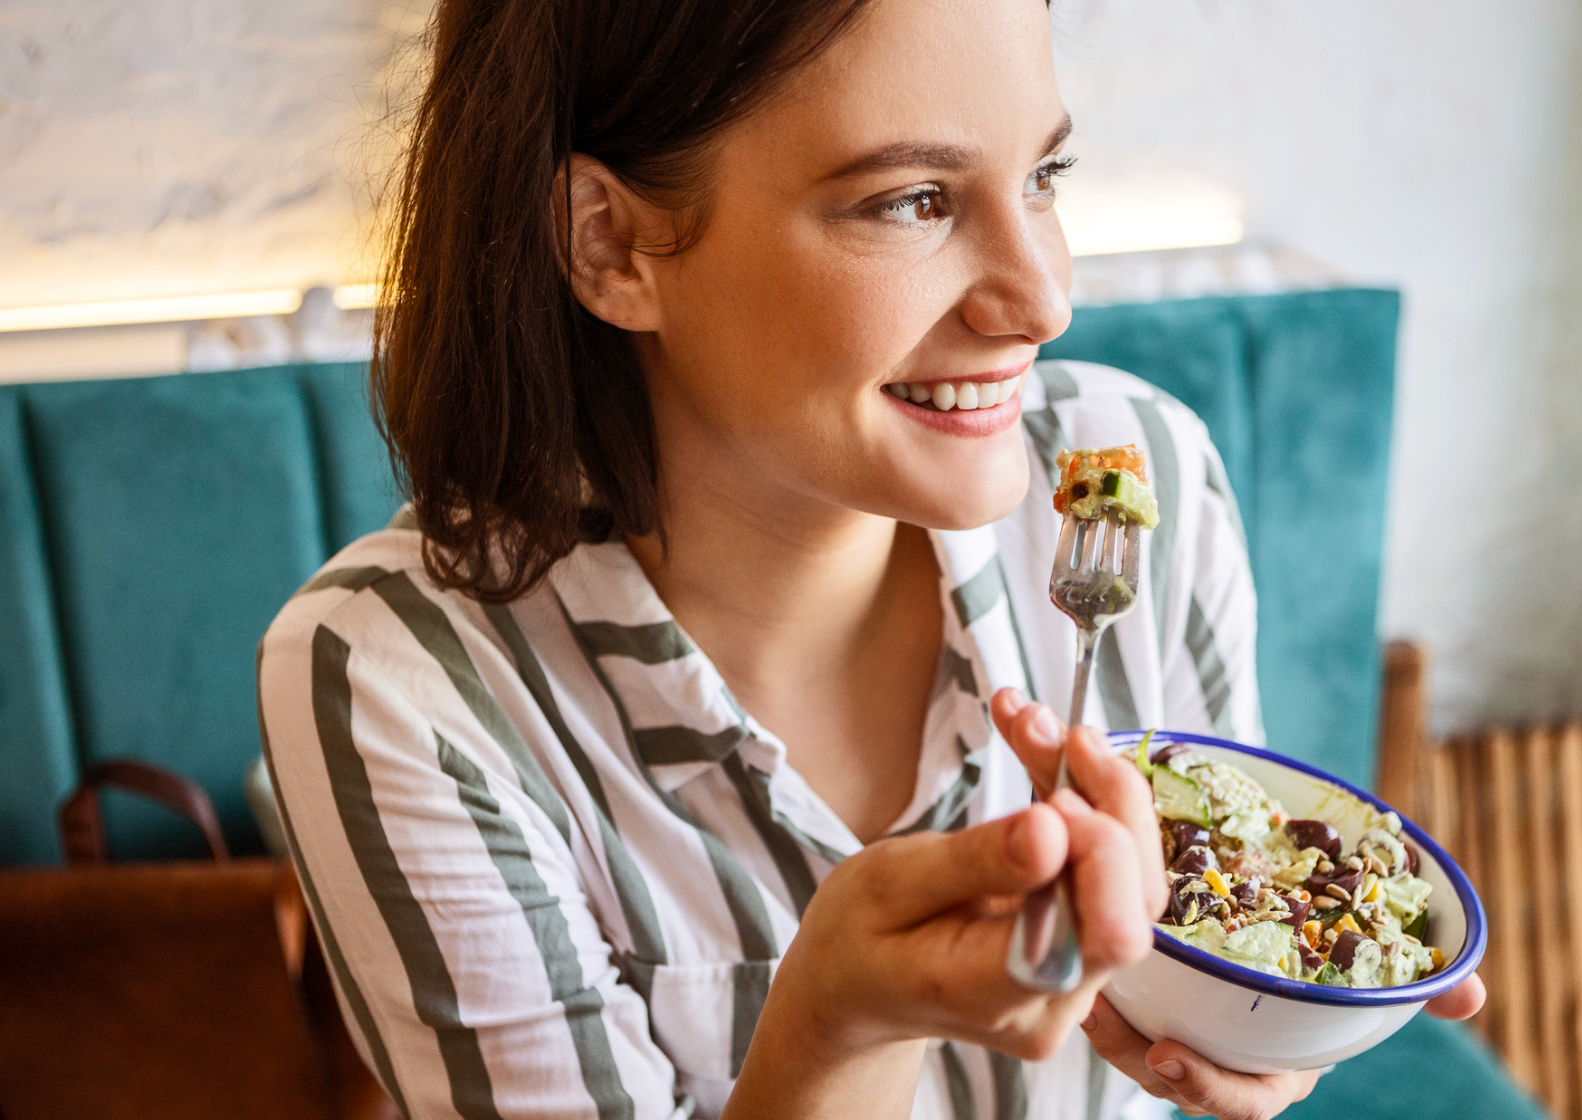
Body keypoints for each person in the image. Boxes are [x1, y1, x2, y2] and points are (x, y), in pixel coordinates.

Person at [256, 0, 1484, 1117]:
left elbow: (1210, 987)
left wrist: (1263, 999)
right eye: (913, 200)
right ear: (611, 243)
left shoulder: (1133, 466)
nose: (1043, 296)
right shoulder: (399, 683)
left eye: (1045, 173)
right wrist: (839, 1024)